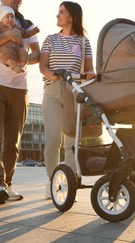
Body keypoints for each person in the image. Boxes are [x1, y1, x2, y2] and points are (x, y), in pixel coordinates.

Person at [0, 0, 40, 205]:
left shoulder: (26, 24)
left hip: (20, 88)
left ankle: (7, 184)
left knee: (13, 142)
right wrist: (7, 37)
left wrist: (20, 60)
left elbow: (37, 54)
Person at [39, 1, 96, 199]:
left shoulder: (83, 42)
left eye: (61, 12)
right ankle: (51, 181)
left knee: (71, 141)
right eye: (58, 12)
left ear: (71, 16)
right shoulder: (50, 39)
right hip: (53, 91)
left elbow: (90, 69)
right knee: (53, 139)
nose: (57, 15)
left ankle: (68, 182)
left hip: (74, 91)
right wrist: (52, 75)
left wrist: (89, 74)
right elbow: (43, 66)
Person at [0, 5, 40, 74]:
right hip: (5, 46)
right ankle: (13, 66)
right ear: (1, 19)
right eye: (7, 17)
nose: (10, 19)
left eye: (12, 17)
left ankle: (22, 65)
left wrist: (34, 31)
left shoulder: (16, 27)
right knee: (6, 52)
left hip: (17, 47)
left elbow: (25, 33)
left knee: (23, 52)